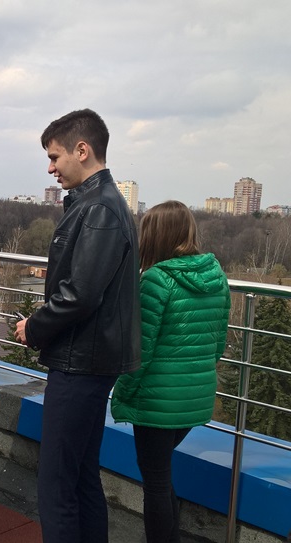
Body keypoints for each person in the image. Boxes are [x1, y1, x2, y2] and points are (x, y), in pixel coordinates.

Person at [14, 108, 141, 543]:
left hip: (80, 362)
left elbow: (80, 294)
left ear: (82, 150)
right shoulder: (99, 203)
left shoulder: (99, 208)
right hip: (88, 359)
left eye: (55, 157)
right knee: (82, 474)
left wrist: (34, 328)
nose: (51, 168)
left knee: (57, 484)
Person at [111, 201, 230, 543]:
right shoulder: (217, 277)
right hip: (194, 398)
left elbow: (139, 353)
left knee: (156, 483)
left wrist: (123, 394)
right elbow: (218, 345)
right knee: (161, 478)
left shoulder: (156, 280)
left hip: (156, 401)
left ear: (155, 236)